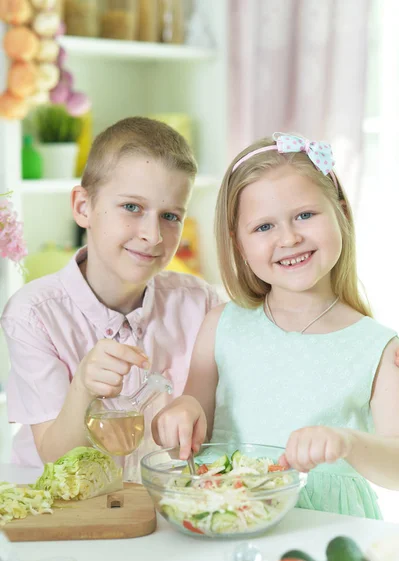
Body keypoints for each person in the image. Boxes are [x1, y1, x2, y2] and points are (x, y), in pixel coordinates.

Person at [152, 132, 399, 518]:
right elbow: (193, 418)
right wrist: (180, 414)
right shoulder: (221, 325)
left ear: (341, 213)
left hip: (325, 533)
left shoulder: (379, 348)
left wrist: (347, 441)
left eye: (305, 215)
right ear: (239, 245)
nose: (289, 237)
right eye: (264, 227)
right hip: (227, 516)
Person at [1, 117, 222, 473]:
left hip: (157, 512)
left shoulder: (201, 304)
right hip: (64, 514)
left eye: (170, 215)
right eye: (132, 207)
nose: (153, 235)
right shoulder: (33, 315)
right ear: (82, 207)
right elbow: (57, 459)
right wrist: (83, 388)